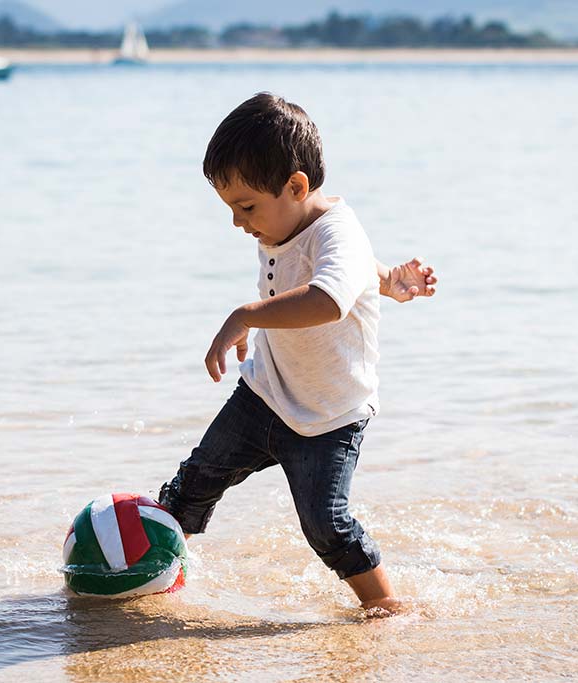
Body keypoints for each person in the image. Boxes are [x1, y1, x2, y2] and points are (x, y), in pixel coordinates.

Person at [158, 92, 438, 617]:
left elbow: (329, 299)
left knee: (327, 526)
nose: (240, 223)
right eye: (231, 209)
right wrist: (391, 280)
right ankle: (147, 575)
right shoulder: (285, 219)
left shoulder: (339, 231)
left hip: (328, 416)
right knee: (191, 486)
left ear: (296, 186)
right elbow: (359, 268)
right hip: (264, 392)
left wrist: (245, 315)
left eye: (247, 207)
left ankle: (388, 610)